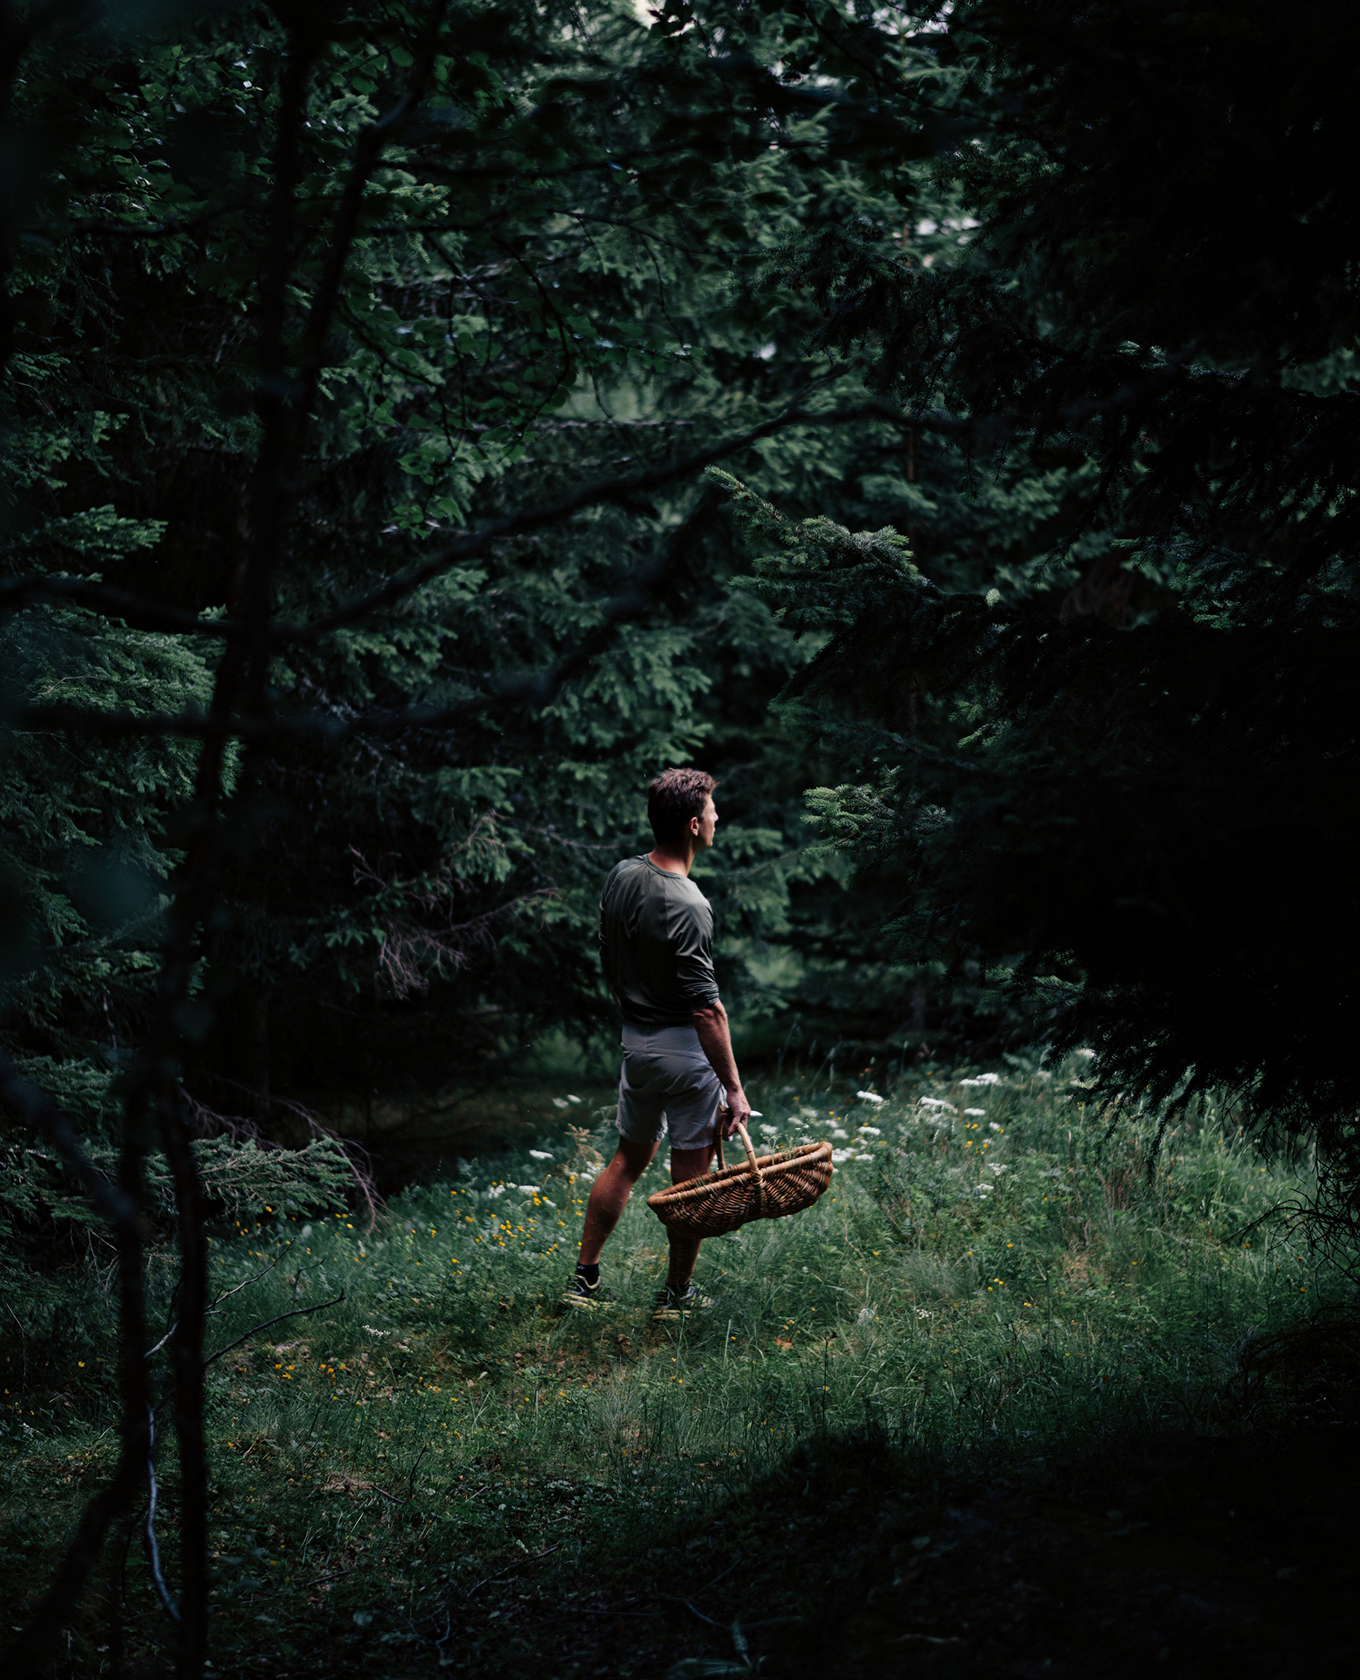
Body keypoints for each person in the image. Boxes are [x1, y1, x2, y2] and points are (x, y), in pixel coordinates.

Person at [564, 768, 752, 1319]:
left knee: (627, 1158)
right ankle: (676, 1296)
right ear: (694, 825)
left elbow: (610, 954)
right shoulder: (690, 904)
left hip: (637, 1045)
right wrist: (734, 1090)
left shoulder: (622, 875)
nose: (719, 818)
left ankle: (584, 1280)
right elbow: (706, 1009)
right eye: (713, 811)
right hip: (684, 1054)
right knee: (689, 1177)